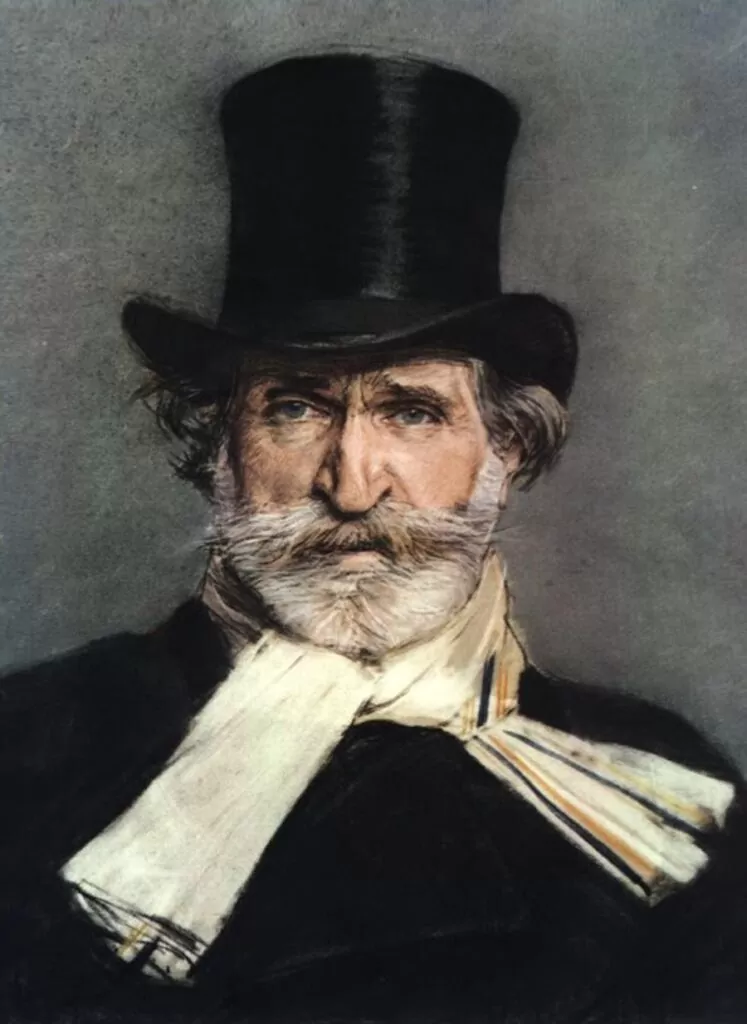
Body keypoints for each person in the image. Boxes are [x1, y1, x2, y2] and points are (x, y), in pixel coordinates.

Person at [0, 52, 745, 1024]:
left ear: (505, 449)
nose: (352, 486)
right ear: (216, 445)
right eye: (296, 407)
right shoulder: (30, 751)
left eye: (413, 412)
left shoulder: (660, 788)